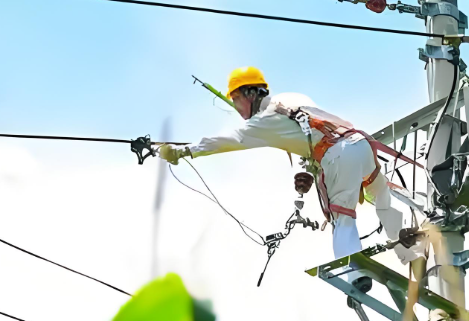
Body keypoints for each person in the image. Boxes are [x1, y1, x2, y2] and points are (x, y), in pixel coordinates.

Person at [157, 66, 418, 288]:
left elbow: (230, 140)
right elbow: (306, 133)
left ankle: (356, 275)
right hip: (361, 144)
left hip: (337, 155)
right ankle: (409, 252)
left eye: (236, 100)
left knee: (343, 219)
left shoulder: (261, 123)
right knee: (381, 197)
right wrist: (306, 169)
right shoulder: (292, 97)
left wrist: (185, 151)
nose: (236, 108)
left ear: (249, 93)